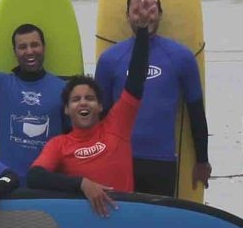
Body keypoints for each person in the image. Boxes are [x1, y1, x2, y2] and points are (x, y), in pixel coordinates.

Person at [23, 26, 154, 216]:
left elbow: (135, 80)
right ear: (67, 109)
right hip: (84, 225)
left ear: (100, 106)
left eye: (89, 98)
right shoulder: (59, 144)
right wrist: (82, 184)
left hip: (125, 218)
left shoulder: (116, 125)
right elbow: (35, 177)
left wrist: (142, 31)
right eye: (76, 100)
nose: (83, 103)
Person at [93, 0, 207, 198]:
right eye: (137, 10)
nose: (145, 15)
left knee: (157, 226)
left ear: (160, 14)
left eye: (150, 9)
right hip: (119, 159)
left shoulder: (182, 57)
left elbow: (196, 111)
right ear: (128, 17)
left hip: (161, 160)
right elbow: (99, 116)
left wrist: (202, 160)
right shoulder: (110, 59)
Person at [0, 0, 70, 173]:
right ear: (15, 52)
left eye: (35, 45)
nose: (30, 51)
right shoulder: (1, 85)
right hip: (11, 187)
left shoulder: (63, 89)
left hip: (49, 186)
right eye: (22, 47)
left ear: (43, 47)